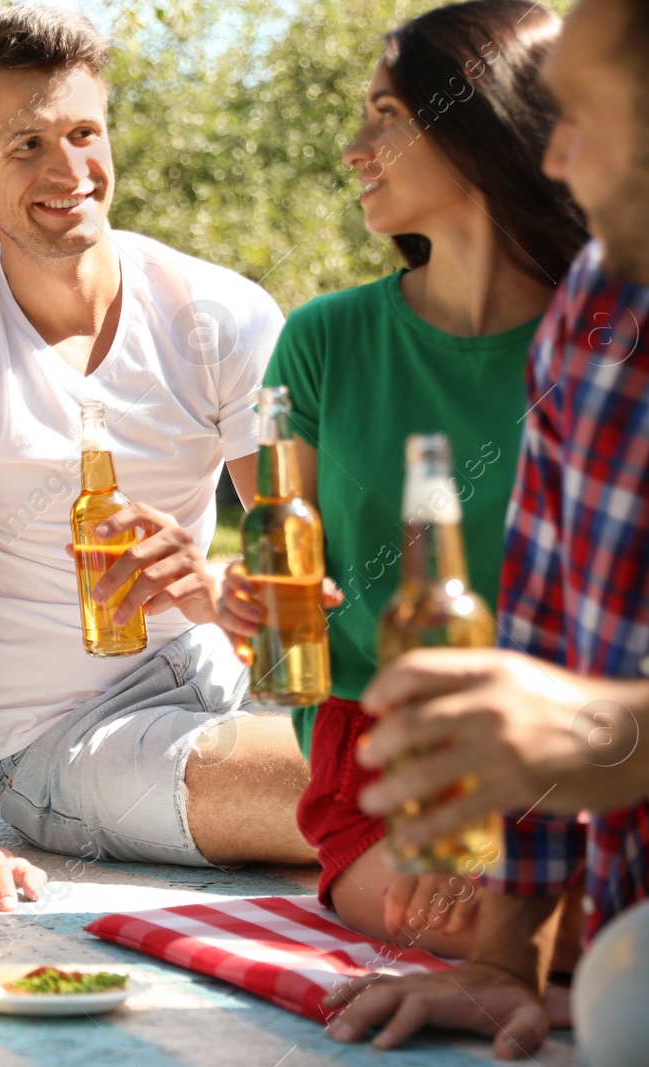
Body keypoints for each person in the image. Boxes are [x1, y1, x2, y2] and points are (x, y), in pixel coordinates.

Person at [322, 0, 649, 1061]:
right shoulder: (601, 320)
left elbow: (585, 715)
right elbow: (543, 629)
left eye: (574, 115)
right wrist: (504, 960)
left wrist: (614, 728)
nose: (550, 151)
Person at [0, 5, 312, 911]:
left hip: (223, 674)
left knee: (434, 743)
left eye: (83, 133)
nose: (69, 172)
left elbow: (295, 556)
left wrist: (214, 593)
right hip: (64, 738)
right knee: (352, 784)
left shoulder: (220, 313)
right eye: (25, 144)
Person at [212, 0, 587, 959]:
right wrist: (250, 600)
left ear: (481, 125)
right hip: (384, 759)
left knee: (623, 930)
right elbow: (289, 565)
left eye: (387, 115)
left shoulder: (613, 341)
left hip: (583, 754)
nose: (353, 147)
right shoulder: (326, 339)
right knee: (493, 924)